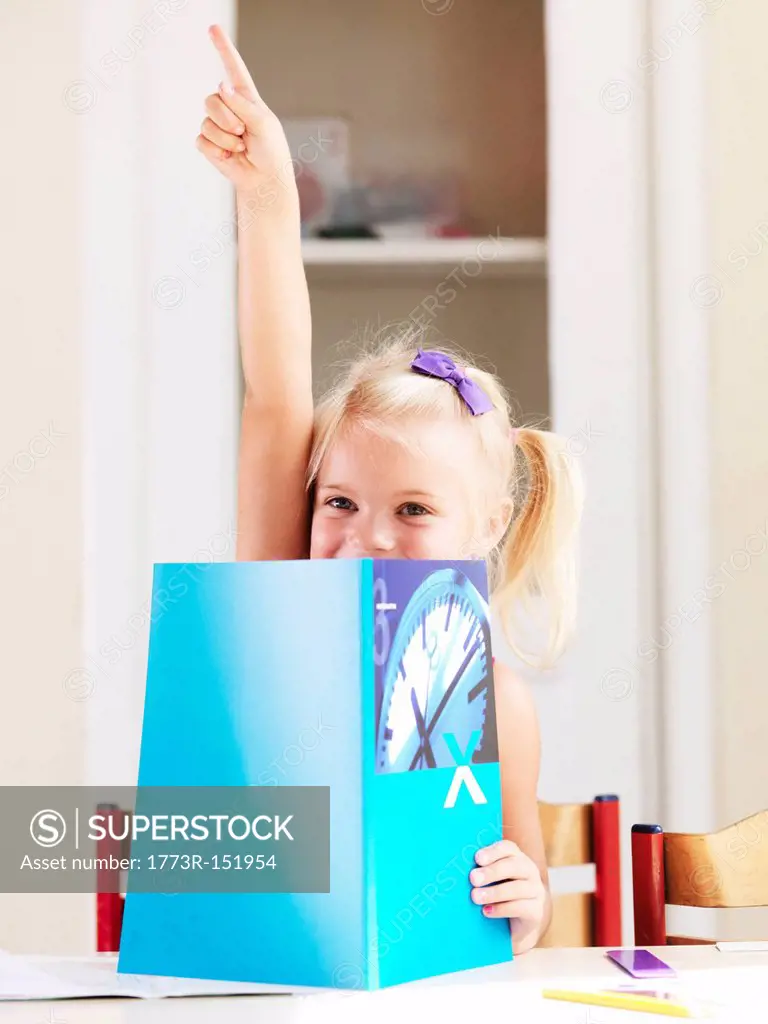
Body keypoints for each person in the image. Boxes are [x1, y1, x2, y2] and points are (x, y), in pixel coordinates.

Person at [196, 24, 583, 954]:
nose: (365, 536)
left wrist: (524, 902)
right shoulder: (279, 589)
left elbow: (517, 912)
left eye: (412, 509)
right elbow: (277, 390)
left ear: (487, 526)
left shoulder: (502, 704)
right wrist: (269, 196)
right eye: (340, 502)